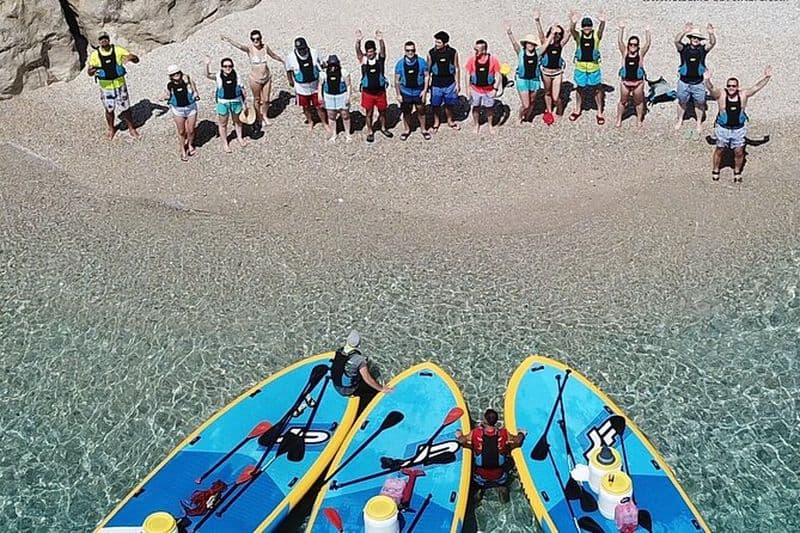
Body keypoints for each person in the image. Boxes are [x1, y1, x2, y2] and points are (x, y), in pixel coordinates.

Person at [704, 66, 772, 182]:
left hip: (738, 130)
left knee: (739, 152)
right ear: (726, 86)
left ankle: (737, 172)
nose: (731, 88)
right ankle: (716, 169)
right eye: (729, 86)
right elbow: (711, 89)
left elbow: (756, 87)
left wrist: (767, 77)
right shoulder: (721, 95)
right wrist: (707, 80)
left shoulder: (743, 95)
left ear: (737, 87)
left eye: (734, 86)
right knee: (719, 149)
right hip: (723, 129)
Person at [455, 409, 525, 503]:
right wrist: (521, 433)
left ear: (485, 420)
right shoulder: (503, 433)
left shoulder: (476, 433)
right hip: (499, 475)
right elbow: (517, 441)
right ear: (496, 420)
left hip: (480, 476)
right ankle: (503, 493)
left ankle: (478, 494)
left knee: (476, 487)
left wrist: (459, 435)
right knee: (504, 482)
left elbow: (462, 441)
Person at [220, 30, 284, 129]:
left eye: (258, 38)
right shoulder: (250, 49)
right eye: (253, 39)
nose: (256, 41)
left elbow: (273, 55)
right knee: (257, 99)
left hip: (266, 76)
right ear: (251, 40)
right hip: (255, 78)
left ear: (261, 38)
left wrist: (282, 61)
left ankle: (265, 115)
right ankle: (259, 118)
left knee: (266, 100)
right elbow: (240, 46)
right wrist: (228, 40)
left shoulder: (265, 47)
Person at [87, 32, 141, 140]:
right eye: (101, 39)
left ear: (109, 39)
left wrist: (132, 57)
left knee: (126, 108)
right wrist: (92, 70)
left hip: (119, 84)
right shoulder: (94, 55)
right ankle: (111, 128)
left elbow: (136, 59)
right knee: (109, 109)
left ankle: (131, 128)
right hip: (106, 87)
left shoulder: (118, 50)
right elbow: (89, 72)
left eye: (105, 38)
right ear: (99, 42)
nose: (104, 41)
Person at [331, 330, 393, 411]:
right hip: (348, 390)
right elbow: (367, 379)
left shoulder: (339, 351)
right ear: (358, 344)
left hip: (336, 385)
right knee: (372, 391)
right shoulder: (359, 359)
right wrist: (382, 389)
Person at [674, 23, 717, 138]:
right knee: (682, 101)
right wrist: (684, 31)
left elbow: (712, 43)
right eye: (694, 37)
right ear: (690, 38)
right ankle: (680, 120)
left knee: (699, 103)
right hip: (684, 81)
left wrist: (711, 33)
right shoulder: (684, 49)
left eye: (698, 38)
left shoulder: (702, 50)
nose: (696, 40)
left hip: (698, 82)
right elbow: (676, 41)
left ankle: (698, 122)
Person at [568, 11, 607, 125]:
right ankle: (578, 109)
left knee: (597, 89)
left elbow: (601, 31)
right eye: (584, 26)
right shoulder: (579, 36)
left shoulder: (596, 36)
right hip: (580, 67)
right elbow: (572, 31)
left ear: (591, 27)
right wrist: (573, 22)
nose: (586, 28)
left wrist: (603, 22)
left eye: (588, 26)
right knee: (580, 89)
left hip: (593, 67)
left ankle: (599, 111)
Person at [355, 30, 393, 143]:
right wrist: (358, 41)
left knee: (382, 111)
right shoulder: (364, 60)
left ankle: (383, 128)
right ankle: (370, 131)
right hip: (367, 93)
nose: (370, 54)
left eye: (372, 51)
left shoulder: (380, 59)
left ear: (374, 51)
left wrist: (381, 40)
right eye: (368, 52)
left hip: (380, 92)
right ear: (366, 52)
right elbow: (357, 52)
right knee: (369, 113)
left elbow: (383, 51)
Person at [204, 56, 248, 153]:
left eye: (230, 66)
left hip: (236, 101)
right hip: (223, 102)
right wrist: (207, 64)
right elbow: (207, 75)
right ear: (222, 67)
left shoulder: (237, 75)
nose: (228, 68)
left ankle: (239, 138)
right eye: (225, 66)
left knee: (238, 121)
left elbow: (242, 89)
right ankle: (225, 143)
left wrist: (245, 102)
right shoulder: (218, 76)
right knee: (223, 123)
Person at [285, 37, 328, 130]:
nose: (302, 51)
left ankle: (324, 122)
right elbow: (288, 70)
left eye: (303, 49)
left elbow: (321, 64)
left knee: (319, 106)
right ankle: (310, 121)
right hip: (301, 87)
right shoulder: (290, 57)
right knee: (305, 106)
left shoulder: (314, 52)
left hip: (315, 85)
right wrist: (290, 81)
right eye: (299, 50)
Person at [159, 65, 200, 161]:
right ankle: (182, 149)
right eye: (173, 74)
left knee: (191, 130)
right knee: (181, 131)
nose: (176, 75)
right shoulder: (170, 85)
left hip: (190, 107)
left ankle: (190, 144)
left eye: (177, 73)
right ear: (170, 76)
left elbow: (194, 89)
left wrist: (196, 93)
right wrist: (164, 97)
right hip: (178, 110)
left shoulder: (187, 81)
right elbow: (169, 95)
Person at [535, 13, 571, 122]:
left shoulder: (560, 44)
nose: (557, 36)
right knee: (547, 93)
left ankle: (560, 110)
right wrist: (537, 20)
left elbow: (569, 34)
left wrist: (572, 22)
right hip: (545, 72)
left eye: (559, 34)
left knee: (556, 97)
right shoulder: (546, 44)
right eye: (555, 34)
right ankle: (549, 110)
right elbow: (541, 35)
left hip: (557, 73)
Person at [615, 22, 651, 128]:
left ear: (638, 45)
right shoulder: (625, 52)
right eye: (631, 44)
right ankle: (619, 119)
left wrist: (647, 31)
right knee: (622, 101)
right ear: (628, 45)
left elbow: (648, 43)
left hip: (638, 82)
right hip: (625, 82)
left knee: (639, 102)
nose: (633, 46)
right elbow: (619, 41)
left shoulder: (640, 53)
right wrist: (621, 29)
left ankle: (639, 120)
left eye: (635, 44)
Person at [395, 40, 431, 140]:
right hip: (406, 92)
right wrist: (398, 94)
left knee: (421, 110)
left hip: (418, 91)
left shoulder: (422, 62)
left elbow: (427, 76)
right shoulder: (400, 64)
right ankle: (407, 130)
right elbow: (397, 80)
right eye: (408, 50)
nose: (410, 52)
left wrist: (425, 91)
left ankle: (423, 129)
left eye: (412, 50)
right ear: (404, 51)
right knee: (406, 112)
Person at [464, 39, 502, 134]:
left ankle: (490, 125)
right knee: (476, 107)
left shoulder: (493, 60)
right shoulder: (472, 60)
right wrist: (468, 89)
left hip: (488, 90)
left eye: (477, 50)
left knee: (489, 108)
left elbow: (498, 75)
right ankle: (476, 124)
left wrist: (495, 89)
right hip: (475, 89)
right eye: (475, 49)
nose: (475, 51)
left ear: (484, 50)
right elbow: (467, 74)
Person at [505, 25, 542, 124]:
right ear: (525, 44)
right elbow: (514, 44)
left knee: (532, 101)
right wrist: (509, 33)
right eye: (529, 43)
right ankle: (520, 117)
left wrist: (550, 33)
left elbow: (546, 44)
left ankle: (528, 117)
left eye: (532, 43)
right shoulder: (520, 52)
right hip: (522, 80)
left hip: (534, 80)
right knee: (526, 104)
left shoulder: (538, 53)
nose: (530, 45)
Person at [426, 31, 462, 132]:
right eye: (436, 42)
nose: (436, 44)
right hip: (436, 83)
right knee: (435, 104)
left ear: (445, 43)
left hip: (450, 83)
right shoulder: (431, 53)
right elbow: (428, 70)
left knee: (449, 104)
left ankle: (450, 120)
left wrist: (458, 83)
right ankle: (436, 122)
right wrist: (427, 84)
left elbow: (457, 68)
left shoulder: (453, 52)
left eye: (439, 42)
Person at [318, 54, 353, 143]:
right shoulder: (323, 74)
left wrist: (348, 97)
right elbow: (320, 85)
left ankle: (347, 134)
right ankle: (334, 134)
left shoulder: (344, 73)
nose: (333, 67)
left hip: (342, 95)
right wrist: (320, 96)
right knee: (331, 115)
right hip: (329, 97)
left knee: (345, 115)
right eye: (331, 65)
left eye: (335, 65)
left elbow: (348, 85)